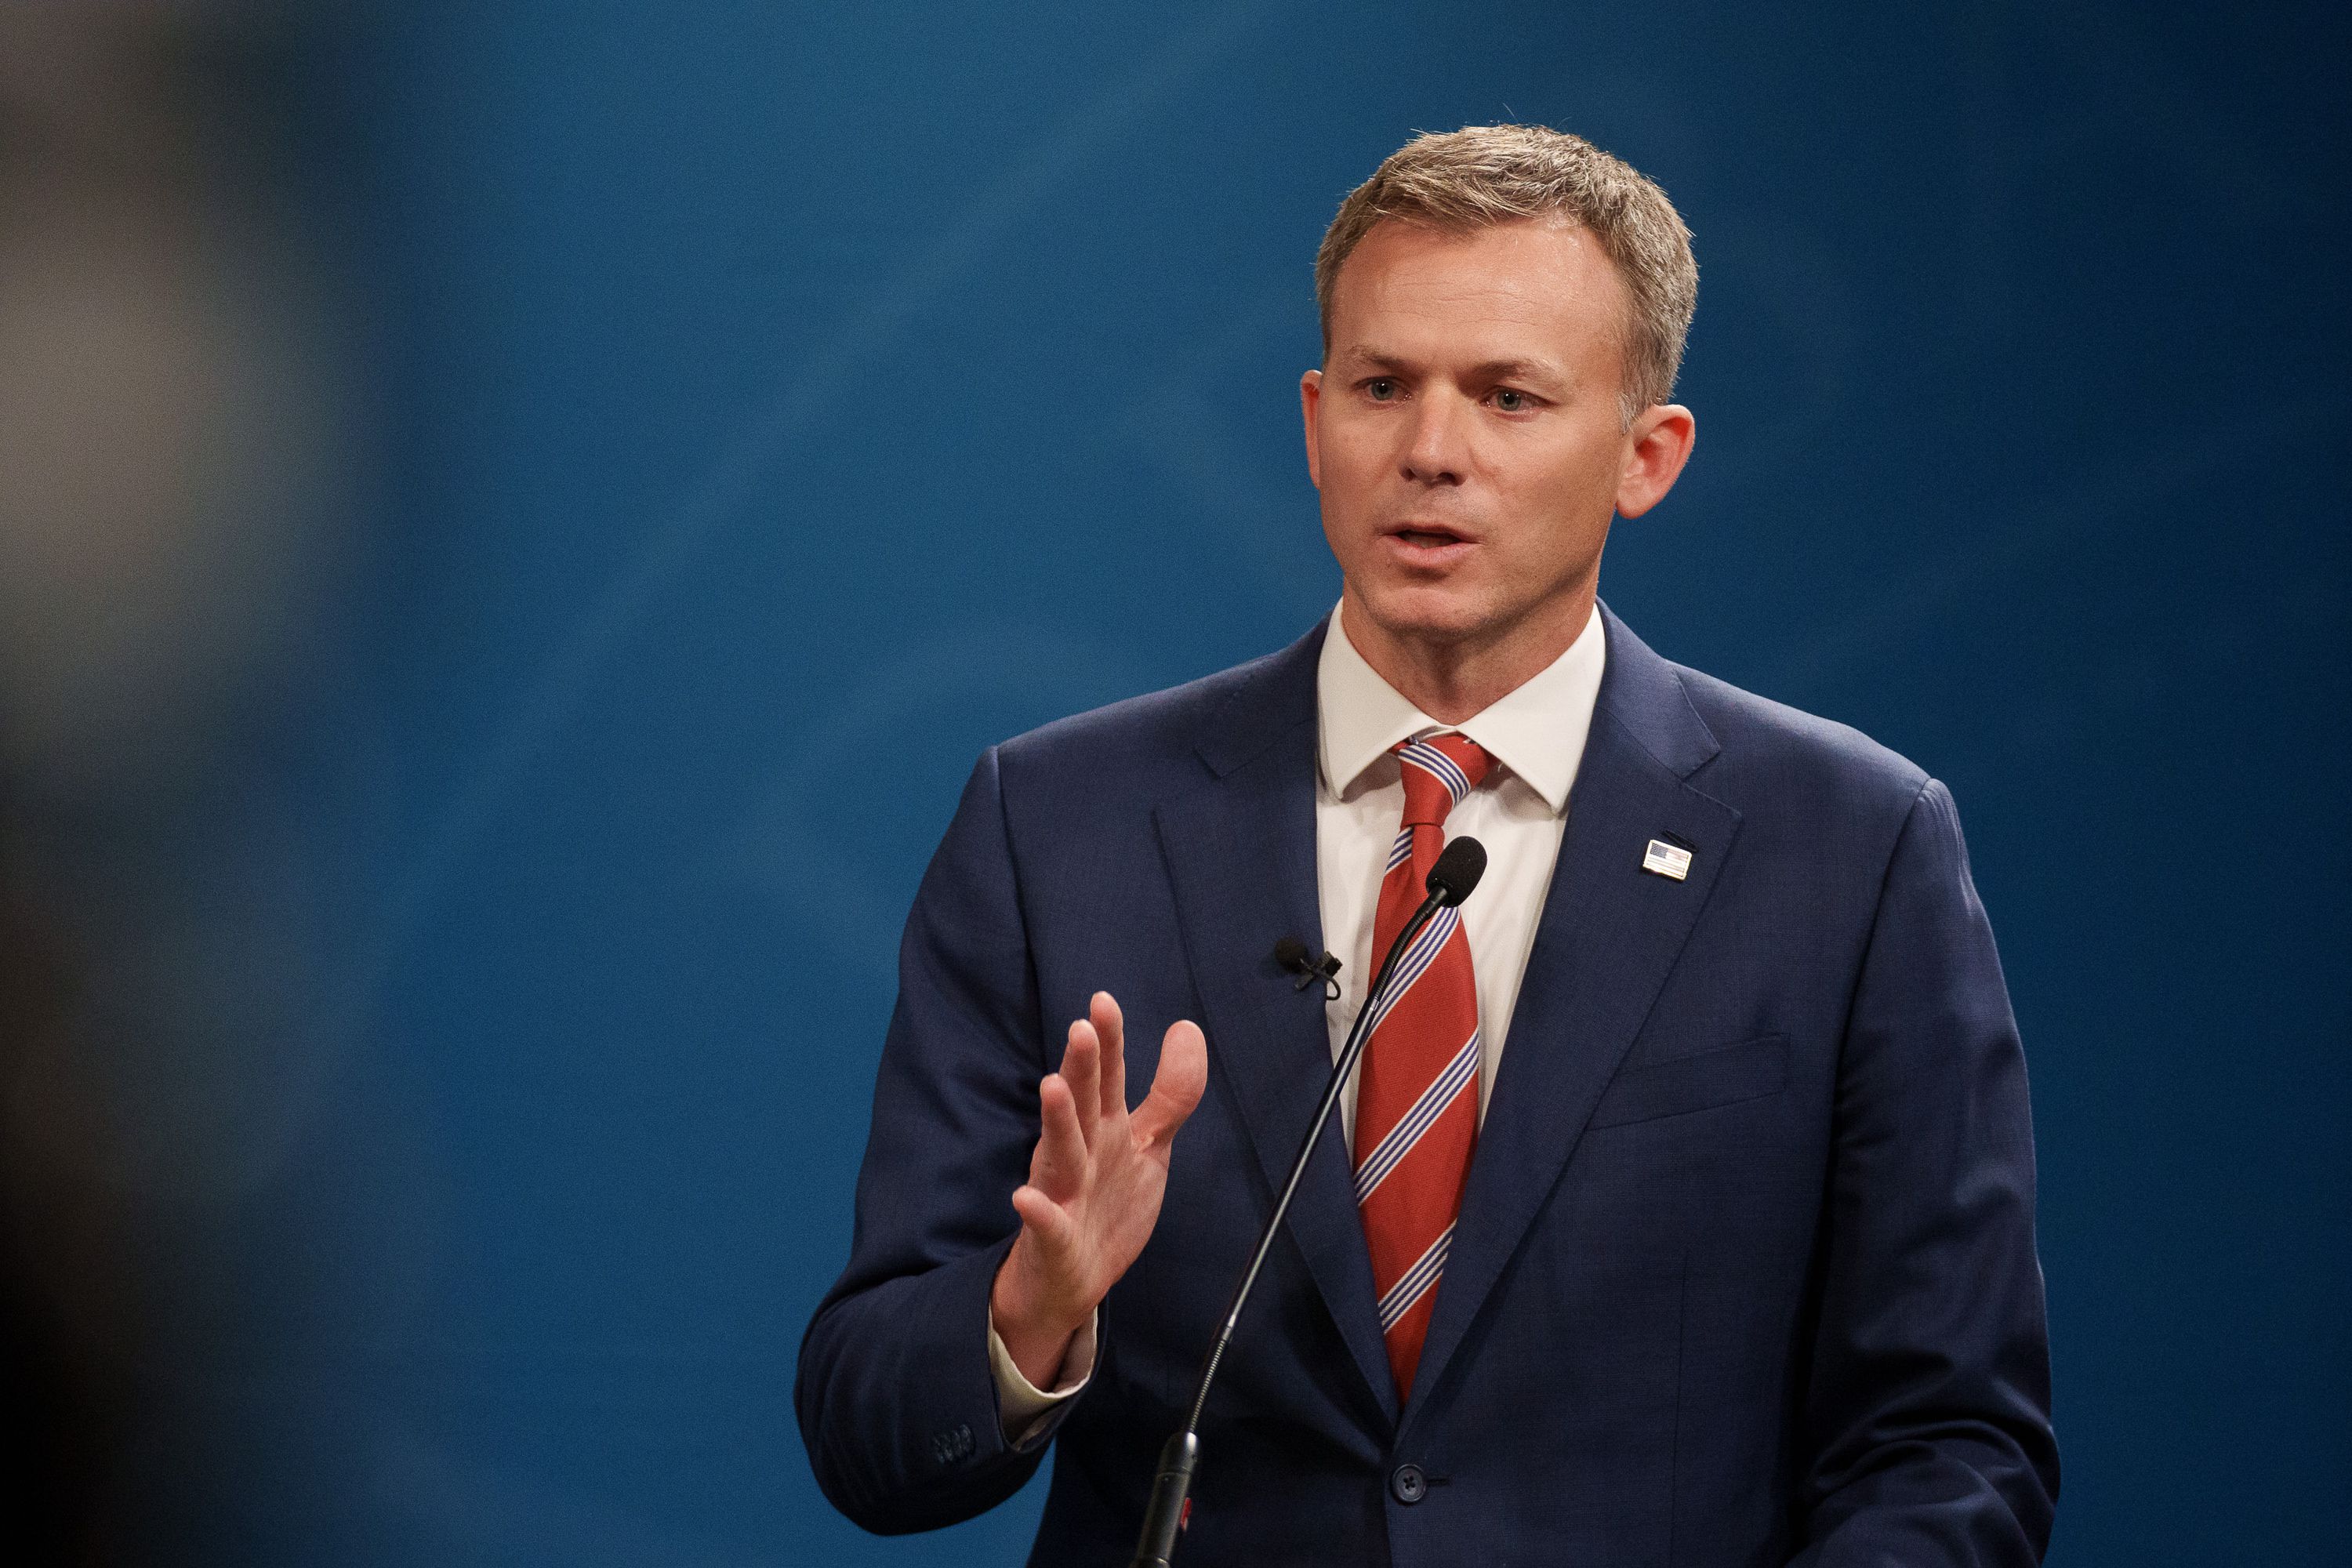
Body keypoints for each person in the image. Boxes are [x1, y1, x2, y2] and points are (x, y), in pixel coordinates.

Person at [796, 125, 2058, 1564]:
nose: (1432, 453)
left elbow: (1952, 1443)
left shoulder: (1851, 849)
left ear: (1648, 456)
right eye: (1385, 388)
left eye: (1510, 398)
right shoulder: (1059, 824)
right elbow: (866, 1430)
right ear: (1318, 417)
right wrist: (1029, 1317)